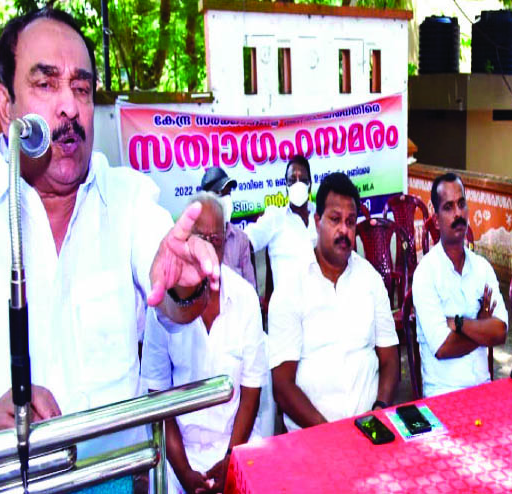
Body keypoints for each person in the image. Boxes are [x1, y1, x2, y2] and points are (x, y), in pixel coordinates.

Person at [0, 8, 219, 439]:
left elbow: (178, 302)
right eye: (46, 84)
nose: (69, 106)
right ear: (6, 105)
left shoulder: (128, 197)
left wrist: (185, 284)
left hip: (115, 469)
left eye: (81, 89)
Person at [141, 194, 268, 494]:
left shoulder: (245, 297)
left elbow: (251, 391)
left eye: (216, 239)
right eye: (201, 237)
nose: (209, 247)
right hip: (179, 455)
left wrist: (231, 460)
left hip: (235, 445)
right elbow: (157, 399)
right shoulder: (164, 303)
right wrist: (185, 473)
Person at [267, 172, 399, 431]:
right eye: (335, 219)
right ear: (317, 221)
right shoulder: (290, 286)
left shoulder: (370, 279)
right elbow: (282, 386)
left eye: (350, 221)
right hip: (312, 436)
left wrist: (380, 409)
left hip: (369, 429)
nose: (344, 230)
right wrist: (330, 433)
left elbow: (390, 358)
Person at [412, 173, 507, 397]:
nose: (458, 213)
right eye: (448, 207)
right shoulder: (426, 273)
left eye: (461, 204)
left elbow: (500, 332)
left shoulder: (482, 268)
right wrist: (481, 328)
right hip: (442, 394)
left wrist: (459, 323)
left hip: (484, 388)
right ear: (436, 220)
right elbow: (443, 347)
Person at [245, 155, 317, 290]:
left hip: (319, 299)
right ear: (286, 187)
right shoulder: (275, 217)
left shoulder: (321, 216)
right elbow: (244, 242)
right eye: (292, 181)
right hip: (286, 301)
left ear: (310, 185)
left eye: (303, 180)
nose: (298, 185)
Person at [200, 167, 257, 290]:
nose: (226, 199)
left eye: (228, 193)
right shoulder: (196, 240)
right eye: (220, 193)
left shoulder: (240, 239)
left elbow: (250, 286)